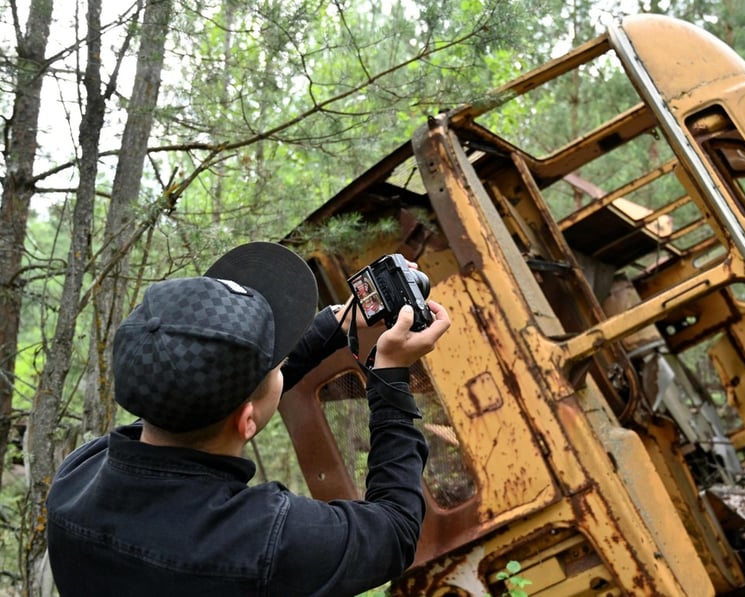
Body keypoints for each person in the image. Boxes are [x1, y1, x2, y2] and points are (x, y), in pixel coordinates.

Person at [45, 241, 451, 596]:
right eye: (277, 365)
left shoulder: (76, 481)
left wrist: (337, 321)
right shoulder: (264, 542)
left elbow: (208, 397)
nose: (282, 365)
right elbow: (395, 532)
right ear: (246, 422)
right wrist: (391, 375)